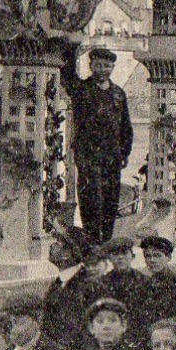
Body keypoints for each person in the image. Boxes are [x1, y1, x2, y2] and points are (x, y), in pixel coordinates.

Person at [64, 48, 134, 245]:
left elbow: (126, 126)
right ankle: (92, 242)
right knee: (91, 198)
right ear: (90, 65)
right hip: (88, 155)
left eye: (107, 65)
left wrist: (124, 152)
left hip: (112, 156)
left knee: (111, 199)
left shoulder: (118, 94)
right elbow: (67, 74)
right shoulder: (81, 89)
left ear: (113, 67)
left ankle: (107, 242)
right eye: (98, 65)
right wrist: (72, 48)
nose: (103, 69)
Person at [97, 236, 156, 344]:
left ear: (132, 256)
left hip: (138, 336)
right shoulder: (102, 283)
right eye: (115, 254)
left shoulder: (144, 281)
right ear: (109, 258)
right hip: (111, 336)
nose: (120, 258)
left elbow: (149, 313)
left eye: (124, 253)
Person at [140, 236, 176, 323]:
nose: (152, 260)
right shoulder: (147, 282)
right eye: (147, 256)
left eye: (157, 255)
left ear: (168, 258)